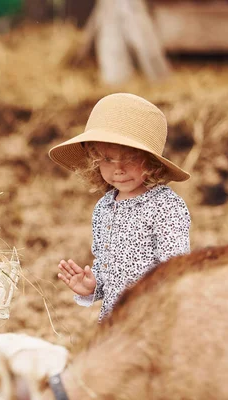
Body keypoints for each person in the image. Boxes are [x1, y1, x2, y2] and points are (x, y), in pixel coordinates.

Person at [48, 93, 191, 322]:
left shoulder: (165, 206)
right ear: (94, 161)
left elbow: (176, 267)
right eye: (107, 159)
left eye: (130, 158)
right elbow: (108, 270)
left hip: (152, 317)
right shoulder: (104, 207)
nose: (119, 169)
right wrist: (93, 285)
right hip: (115, 321)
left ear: (151, 161)